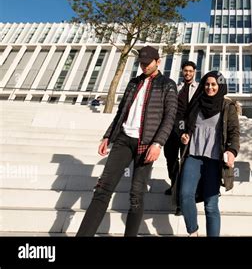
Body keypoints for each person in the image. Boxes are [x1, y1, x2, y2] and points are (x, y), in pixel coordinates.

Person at [76, 46, 178, 236]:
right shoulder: (133, 83)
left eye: (148, 63)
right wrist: (108, 136)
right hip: (123, 139)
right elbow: (121, 112)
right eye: (141, 63)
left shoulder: (168, 84)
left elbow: (170, 117)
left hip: (146, 144)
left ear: (158, 62)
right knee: (102, 190)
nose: (144, 66)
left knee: (136, 195)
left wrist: (158, 143)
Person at [179, 71, 239, 236]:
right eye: (207, 84)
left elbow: (234, 131)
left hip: (214, 159)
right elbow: (184, 123)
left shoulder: (227, 106)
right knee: (185, 195)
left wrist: (232, 150)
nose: (210, 87)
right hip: (193, 155)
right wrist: (184, 134)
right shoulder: (196, 102)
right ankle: (193, 231)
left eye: (213, 84)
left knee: (211, 205)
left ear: (220, 86)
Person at [164, 61, 199, 198]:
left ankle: (184, 191)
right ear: (182, 72)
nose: (188, 73)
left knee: (185, 161)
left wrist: (190, 130)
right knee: (171, 159)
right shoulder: (176, 87)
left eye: (190, 71)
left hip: (188, 130)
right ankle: (174, 185)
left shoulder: (199, 88)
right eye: (185, 71)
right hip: (172, 129)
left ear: (194, 72)